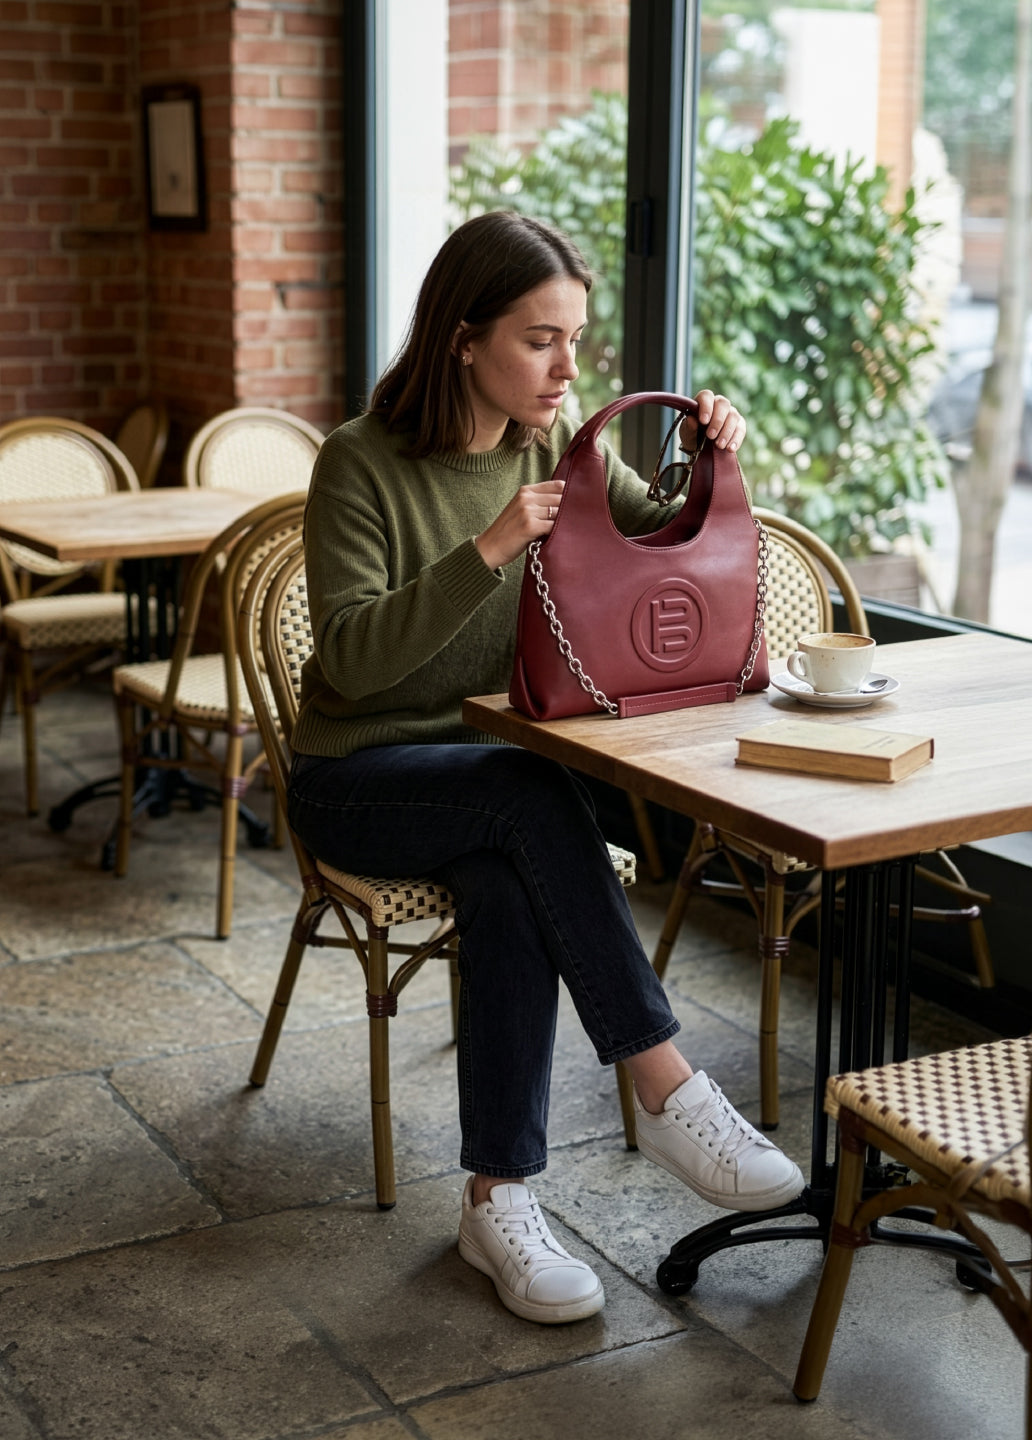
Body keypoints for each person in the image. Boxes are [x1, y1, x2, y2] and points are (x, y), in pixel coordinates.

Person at [287, 210, 804, 1327]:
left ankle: (497, 1201)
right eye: (540, 340)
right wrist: (489, 549)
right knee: (532, 794)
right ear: (463, 338)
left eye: (576, 340)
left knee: (507, 873)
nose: (567, 368)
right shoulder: (358, 463)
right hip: (356, 777)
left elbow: (660, 548)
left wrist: (710, 455)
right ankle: (666, 1085)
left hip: (486, 794)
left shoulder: (556, 449)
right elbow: (354, 662)